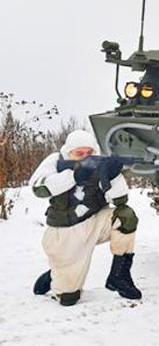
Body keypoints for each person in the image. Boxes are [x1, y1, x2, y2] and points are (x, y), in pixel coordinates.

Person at [28, 129, 142, 306]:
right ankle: (55, 274)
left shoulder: (101, 164)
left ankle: (119, 276)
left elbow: (120, 199)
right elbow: (38, 188)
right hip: (64, 235)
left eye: (89, 153)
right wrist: (73, 176)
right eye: (79, 154)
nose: (85, 157)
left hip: (95, 224)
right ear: (69, 152)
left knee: (125, 216)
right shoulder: (55, 161)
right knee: (68, 299)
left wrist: (112, 175)